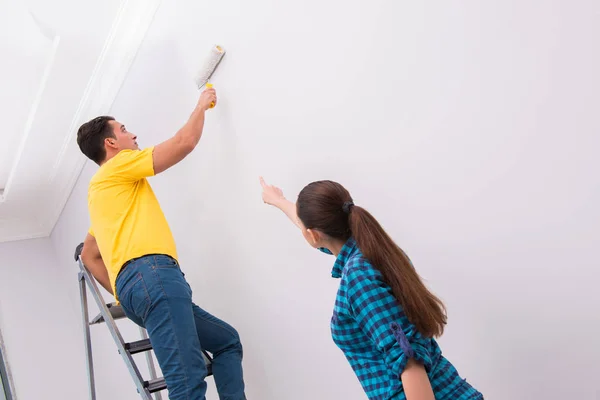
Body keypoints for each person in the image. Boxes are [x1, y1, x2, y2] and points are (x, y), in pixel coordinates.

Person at [77, 86, 246, 400]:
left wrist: (124, 291)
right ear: (110, 143)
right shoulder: (117, 166)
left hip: (142, 290)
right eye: (124, 130)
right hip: (154, 277)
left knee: (226, 342)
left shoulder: (101, 195)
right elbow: (184, 143)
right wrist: (201, 106)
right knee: (187, 382)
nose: (133, 134)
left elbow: (89, 255)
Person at [259, 177, 483, 400]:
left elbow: (409, 358)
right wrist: (279, 201)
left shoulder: (358, 276)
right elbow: (315, 231)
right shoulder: (374, 251)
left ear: (314, 234)